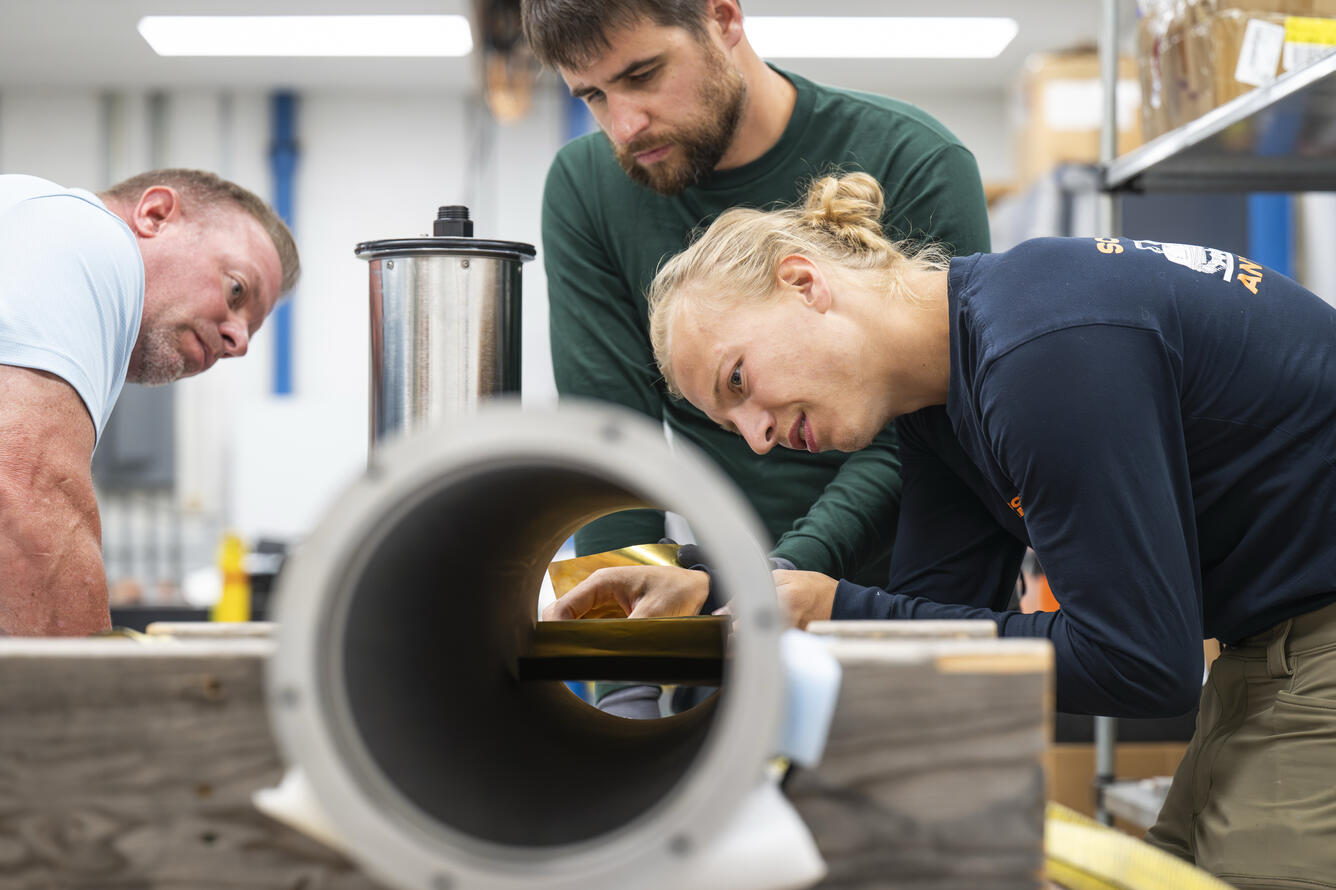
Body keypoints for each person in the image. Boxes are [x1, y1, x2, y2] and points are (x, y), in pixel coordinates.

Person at [550, 171, 1336, 885]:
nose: (757, 436)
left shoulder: (1041, 353)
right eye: (731, 423)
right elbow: (928, 629)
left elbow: (1140, 665)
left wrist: (825, 607)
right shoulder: (943, 404)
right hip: (1264, 650)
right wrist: (730, 591)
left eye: (740, 381)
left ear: (803, 284)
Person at [521, 0, 989, 714]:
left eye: (643, 75)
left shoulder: (912, 158)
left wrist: (781, 575)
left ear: (723, 18)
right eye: (592, 96)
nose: (624, 123)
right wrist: (626, 680)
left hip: (916, 607)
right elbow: (612, 445)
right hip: (731, 610)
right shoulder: (588, 189)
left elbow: (919, 431)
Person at [0, 169, 299, 636]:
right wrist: (100, 699)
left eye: (249, 333)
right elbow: (23, 499)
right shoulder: (81, 234)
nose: (239, 342)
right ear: (156, 215)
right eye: (236, 289)